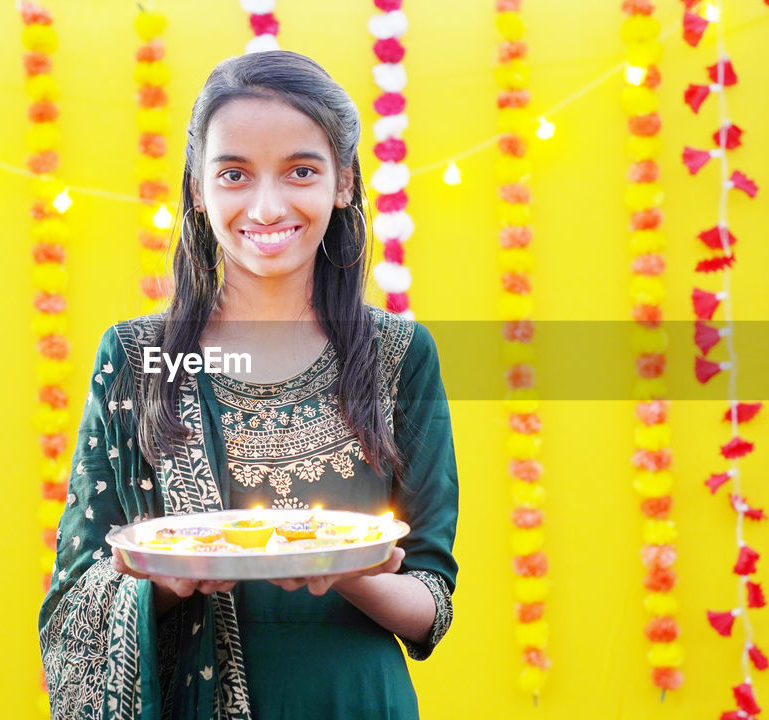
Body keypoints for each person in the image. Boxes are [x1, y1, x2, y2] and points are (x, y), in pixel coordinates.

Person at [39, 50, 458, 720]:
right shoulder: (140, 358)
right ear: (199, 190)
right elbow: (74, 604)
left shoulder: (397, 354)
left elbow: (431, 602)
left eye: (300, 170)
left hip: (353, 701)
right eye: (234, 174)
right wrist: (167, 585)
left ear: (343, 182)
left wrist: (346, 568)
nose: (267, 206)